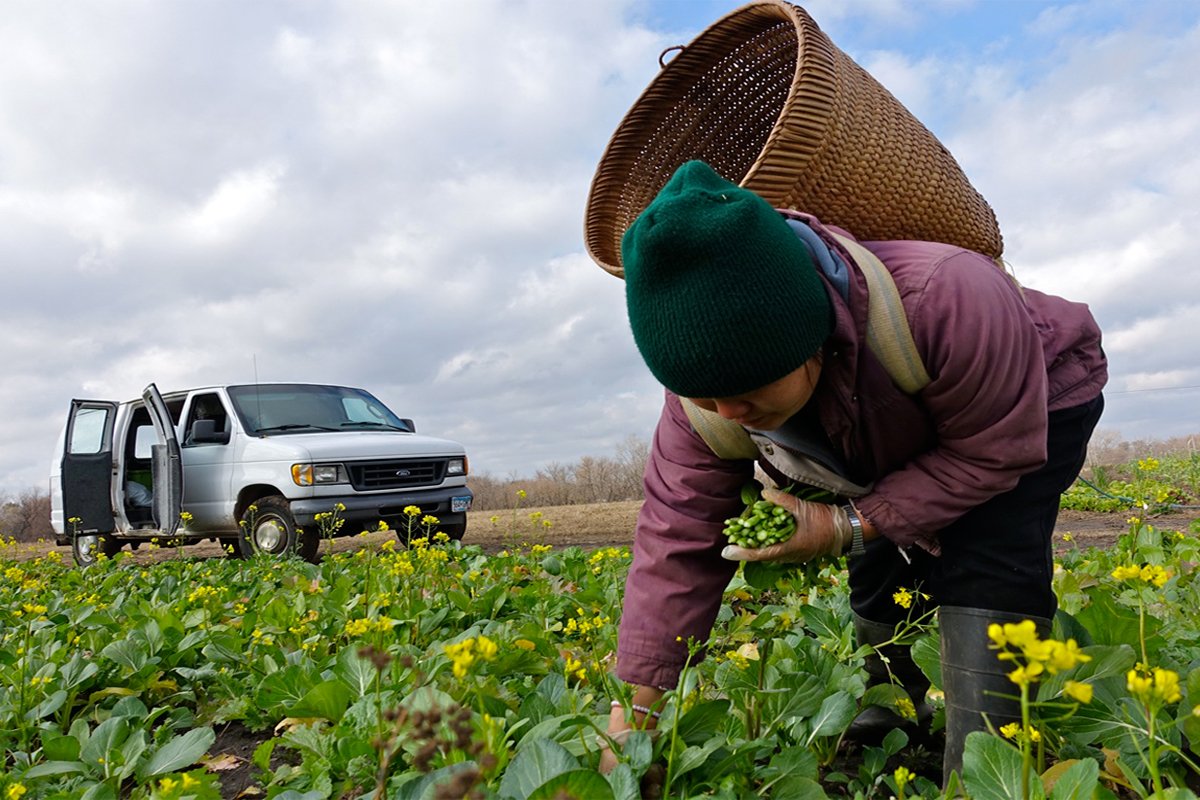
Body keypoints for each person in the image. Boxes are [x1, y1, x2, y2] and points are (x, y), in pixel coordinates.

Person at [600, 160, 1107, 785]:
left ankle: (987, 759)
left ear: (811, 336)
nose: (729, 412)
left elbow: (992, 452)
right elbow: (676, 541)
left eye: (749, 390)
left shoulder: (949, 298)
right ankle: (891, 710)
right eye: (704, 396)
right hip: (878, 424)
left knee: (986, 555)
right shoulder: (702, 409)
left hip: (1032, 401)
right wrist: (631, 725)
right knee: (880, 564)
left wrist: (844, 523)